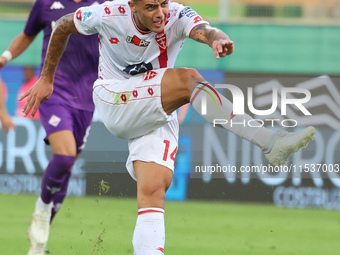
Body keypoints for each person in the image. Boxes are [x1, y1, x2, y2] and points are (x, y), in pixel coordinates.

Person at [20, 0, 316, 254]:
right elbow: (62, 25)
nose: (160, 12)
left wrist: (216, 38)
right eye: (150, 6)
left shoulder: (176, 13)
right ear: (132, 5)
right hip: (114, 98)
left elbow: (205, 30)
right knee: (187, 79)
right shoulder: (107, 13)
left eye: (163, 2)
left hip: (153, 109)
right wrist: (47, 79)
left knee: (153, 192)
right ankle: (269, 141)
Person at [0, 0, 106, 254]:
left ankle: (38, 244)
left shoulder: (105, 5)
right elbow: (27, 35)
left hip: (87, 98)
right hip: (51, 90)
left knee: (66, 170)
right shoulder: (46, 3)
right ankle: (42, 206)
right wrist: (4, 58)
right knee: (65, 155)